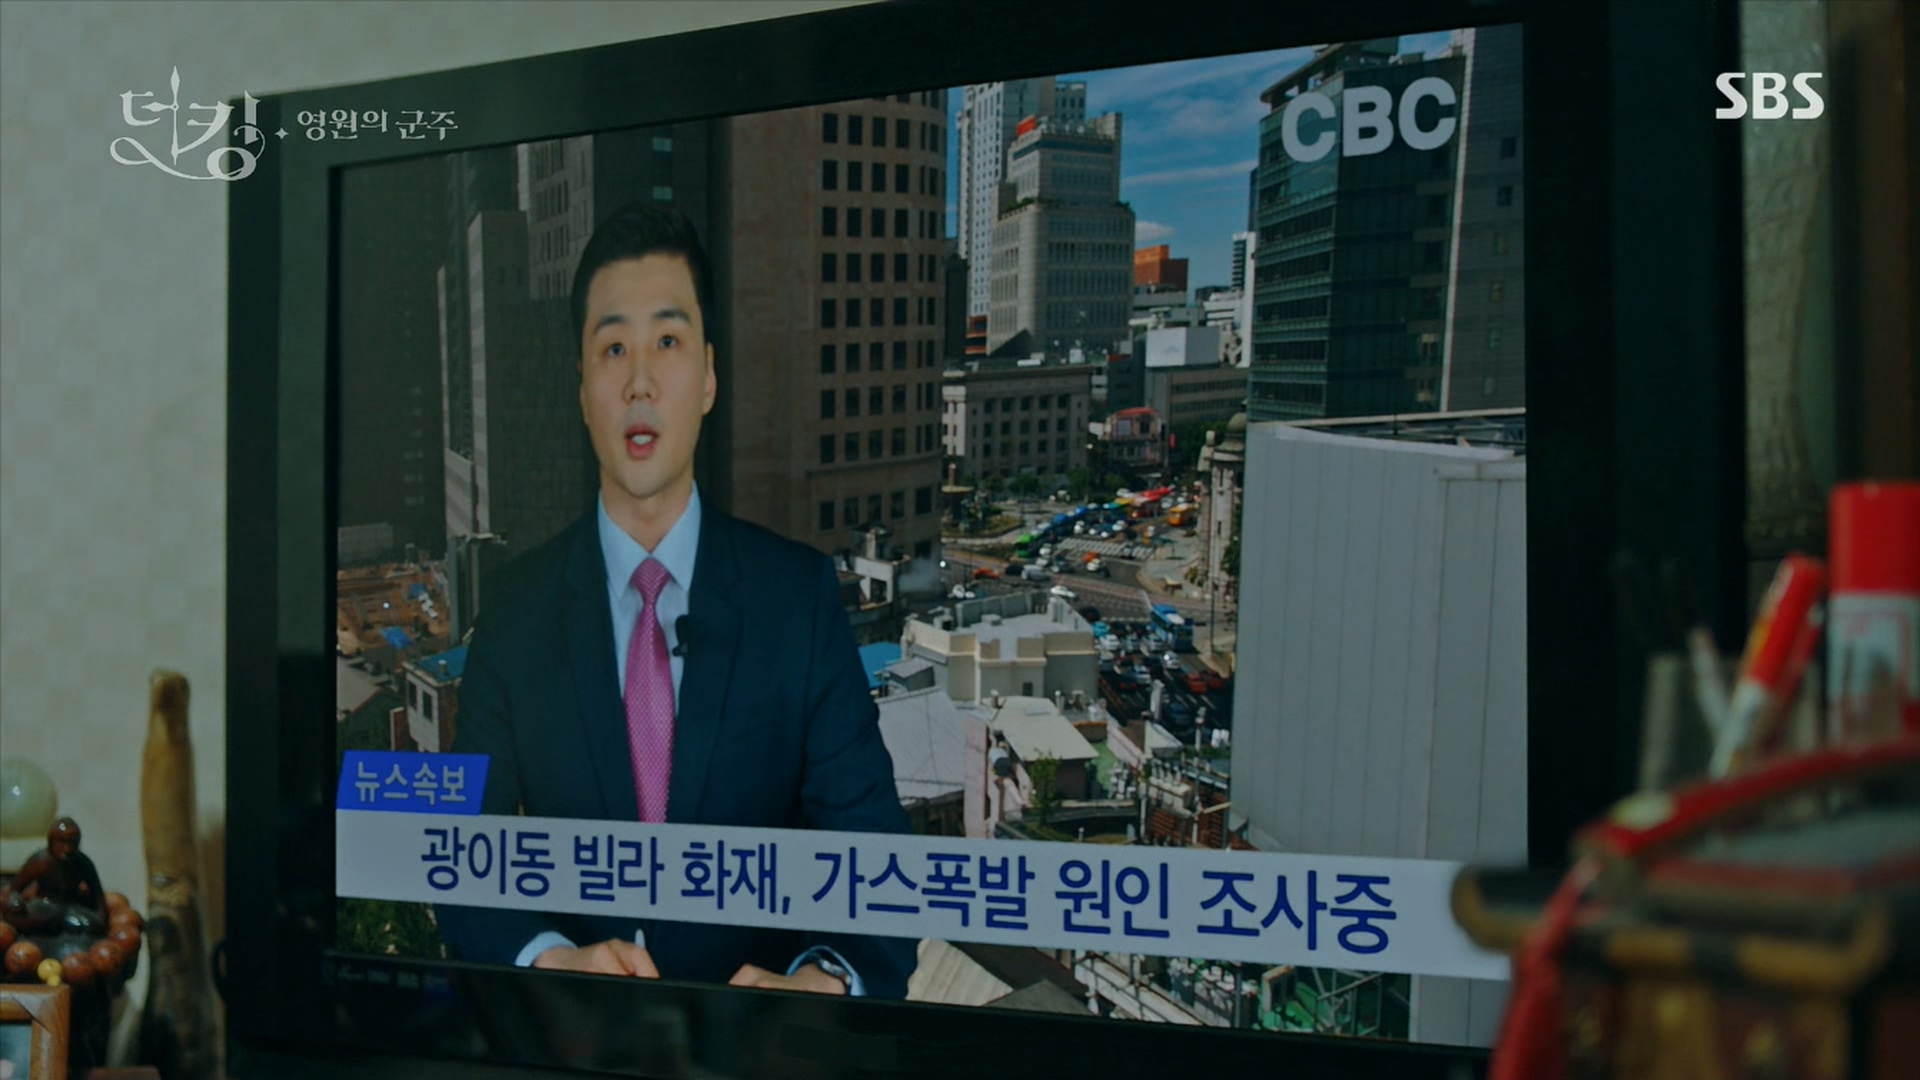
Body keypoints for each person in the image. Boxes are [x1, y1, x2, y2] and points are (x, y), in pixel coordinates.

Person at [433, 203, 916, 999]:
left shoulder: (796, 599)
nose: (640, 382)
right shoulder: (516, 611)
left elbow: (872, 845)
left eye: (667, 342)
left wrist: (825, 985)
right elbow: (462, 849)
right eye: (613, 348)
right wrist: (550, 960)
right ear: (582, 388)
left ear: (708, 378)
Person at [2, 818, 107, 935]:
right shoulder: (40, 861)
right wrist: (15, 901)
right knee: (21, 919)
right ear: (51, 842)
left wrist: (102, 919)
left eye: (72, 842)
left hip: (70, 907)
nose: (67, 849)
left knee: (89, 925)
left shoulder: (83, 863)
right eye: (61, 842)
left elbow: (98, 896)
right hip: (44, 906)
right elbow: (15, 889)